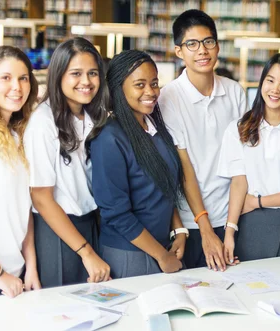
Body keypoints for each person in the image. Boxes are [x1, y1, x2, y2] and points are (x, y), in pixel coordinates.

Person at [159, 9, 247, 271]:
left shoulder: (235, 92)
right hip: (191, 222)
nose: (202, 51)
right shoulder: (168, 97)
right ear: (179, 51)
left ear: (217, 46)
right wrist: (205, 228)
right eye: (192, 44)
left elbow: (242, 162)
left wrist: (230, 225)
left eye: (208, 42)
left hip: (234, 217)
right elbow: (184, 167)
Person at [23, 37, 110, 287]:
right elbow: (41, 197)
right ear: (58, 75)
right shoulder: (43, 121)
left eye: (93, 73)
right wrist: (87, 252)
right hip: (57, 230)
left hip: (88, 223)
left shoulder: (90, 114)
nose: (86, 82)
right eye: (76, 73)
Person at [90, 50, 185, 278]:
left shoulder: (154, 128)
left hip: (162, 247)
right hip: (129, 254)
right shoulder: (109, 138)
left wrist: (179, 230)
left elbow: (164, 187)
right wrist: (161, 256)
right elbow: (116, 213)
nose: (151, 92)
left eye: (154, 83)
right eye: (139, 85)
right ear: (118, 87)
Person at [218, 53, 280, 263]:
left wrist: (258, 201)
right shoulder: (238, 128)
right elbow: (238, 183)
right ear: (261, 82)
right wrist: (229, 232)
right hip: (248, 224)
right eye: (270, 81)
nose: (275, 90)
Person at [0, 46, 41, 298]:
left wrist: (29, 266)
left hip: (16, 276)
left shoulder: (18, 136)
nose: (17, 87)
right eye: (5, 78)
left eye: (23, 78)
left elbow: (24, 208)